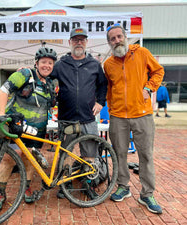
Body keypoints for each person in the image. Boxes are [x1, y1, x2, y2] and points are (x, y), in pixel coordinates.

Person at [103, 24, 164, 214]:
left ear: (125, 36)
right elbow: (109, 90)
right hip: (118, 116)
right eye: (112, 39)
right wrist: (111, 108)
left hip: (142, 114)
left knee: (145, 155)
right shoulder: (108, 64)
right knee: (119, 154)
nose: (117, 41)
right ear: (109, 43)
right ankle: (123, 186)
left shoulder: (142, 53)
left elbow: (158, 71)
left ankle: (147, 194)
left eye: (119, 36)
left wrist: (148, 88)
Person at [0, 47, 57, 212]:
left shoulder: (50, 84)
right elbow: (4, 90)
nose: (47, 65)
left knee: (29, 159)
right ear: (37, 63)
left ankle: (27, 187)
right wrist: (1, 113)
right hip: (16, 126)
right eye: (44, 62)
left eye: (50, 63)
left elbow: (52, 106)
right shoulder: (25, 74)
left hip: (37, 130)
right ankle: (0, 192)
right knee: (8, 158)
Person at [50, 27, 108, 198]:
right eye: (75, 40)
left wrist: (100, 102)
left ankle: (88, 184)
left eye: (82, 40)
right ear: (69, 42)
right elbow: (44, 76)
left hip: (88, 118)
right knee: (66, 152)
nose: (79, 42)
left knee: (90, 154)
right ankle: (65, 184)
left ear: (86, 42)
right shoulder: (60, 64)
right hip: (66, 118)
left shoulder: (94, 64)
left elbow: (103, 85)